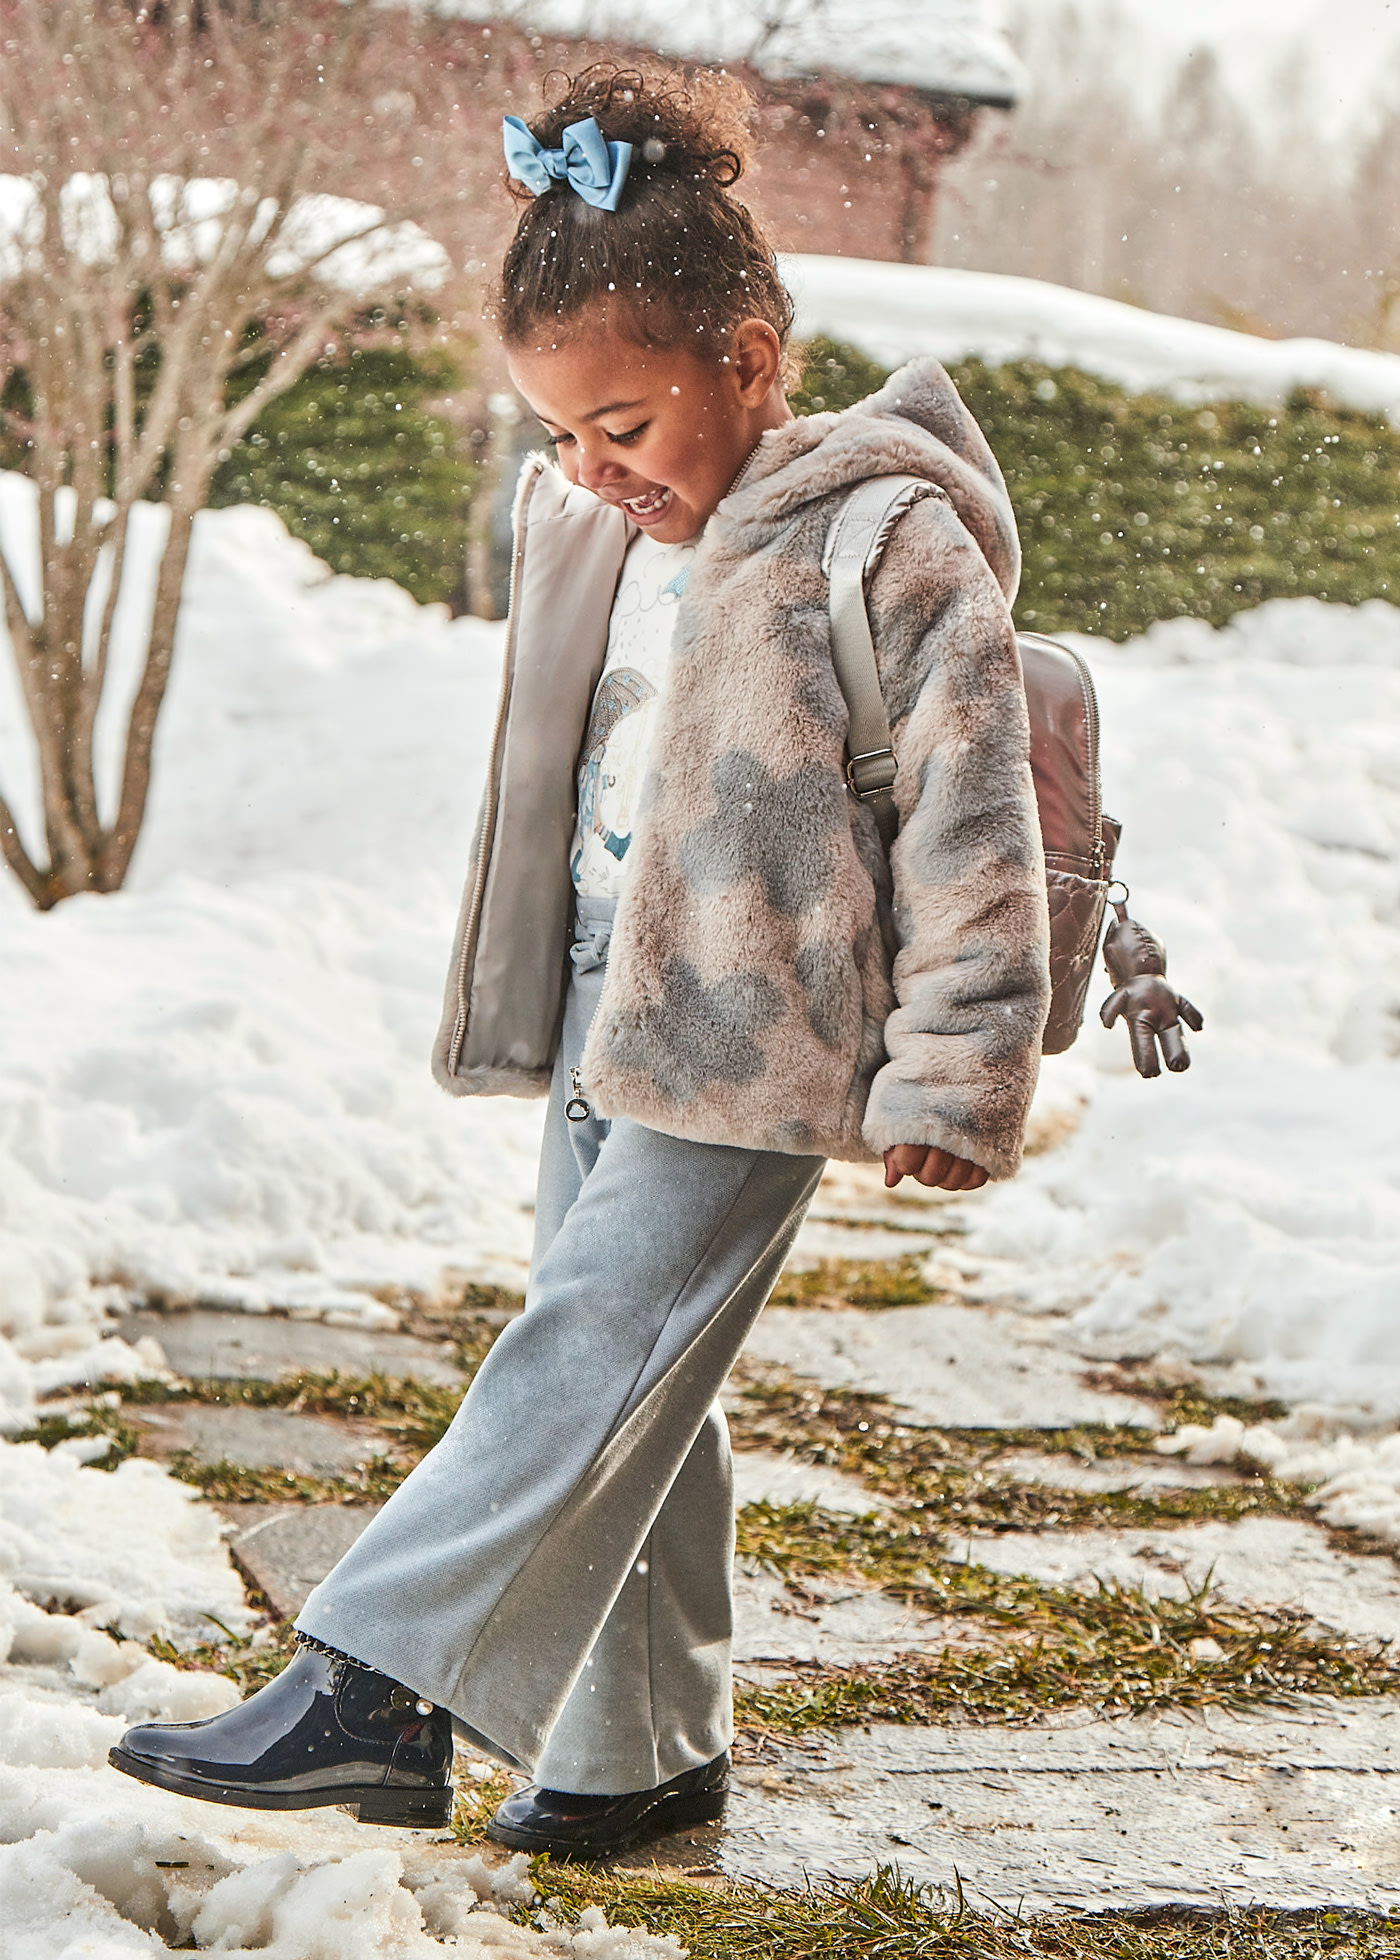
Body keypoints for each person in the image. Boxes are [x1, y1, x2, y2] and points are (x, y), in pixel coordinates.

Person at [108, 64, 1050, 1863]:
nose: (595, 470)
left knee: (588, 1343)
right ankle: (639, 1752)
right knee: (643, 1380)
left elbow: (973, 821)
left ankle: (373, 1689)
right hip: (607, 1017)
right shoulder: (593, 532)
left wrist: (956, 1065)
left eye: (626, 421)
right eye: (559, 433)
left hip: (767, 1034)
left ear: (752, 365)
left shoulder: (884, 537)